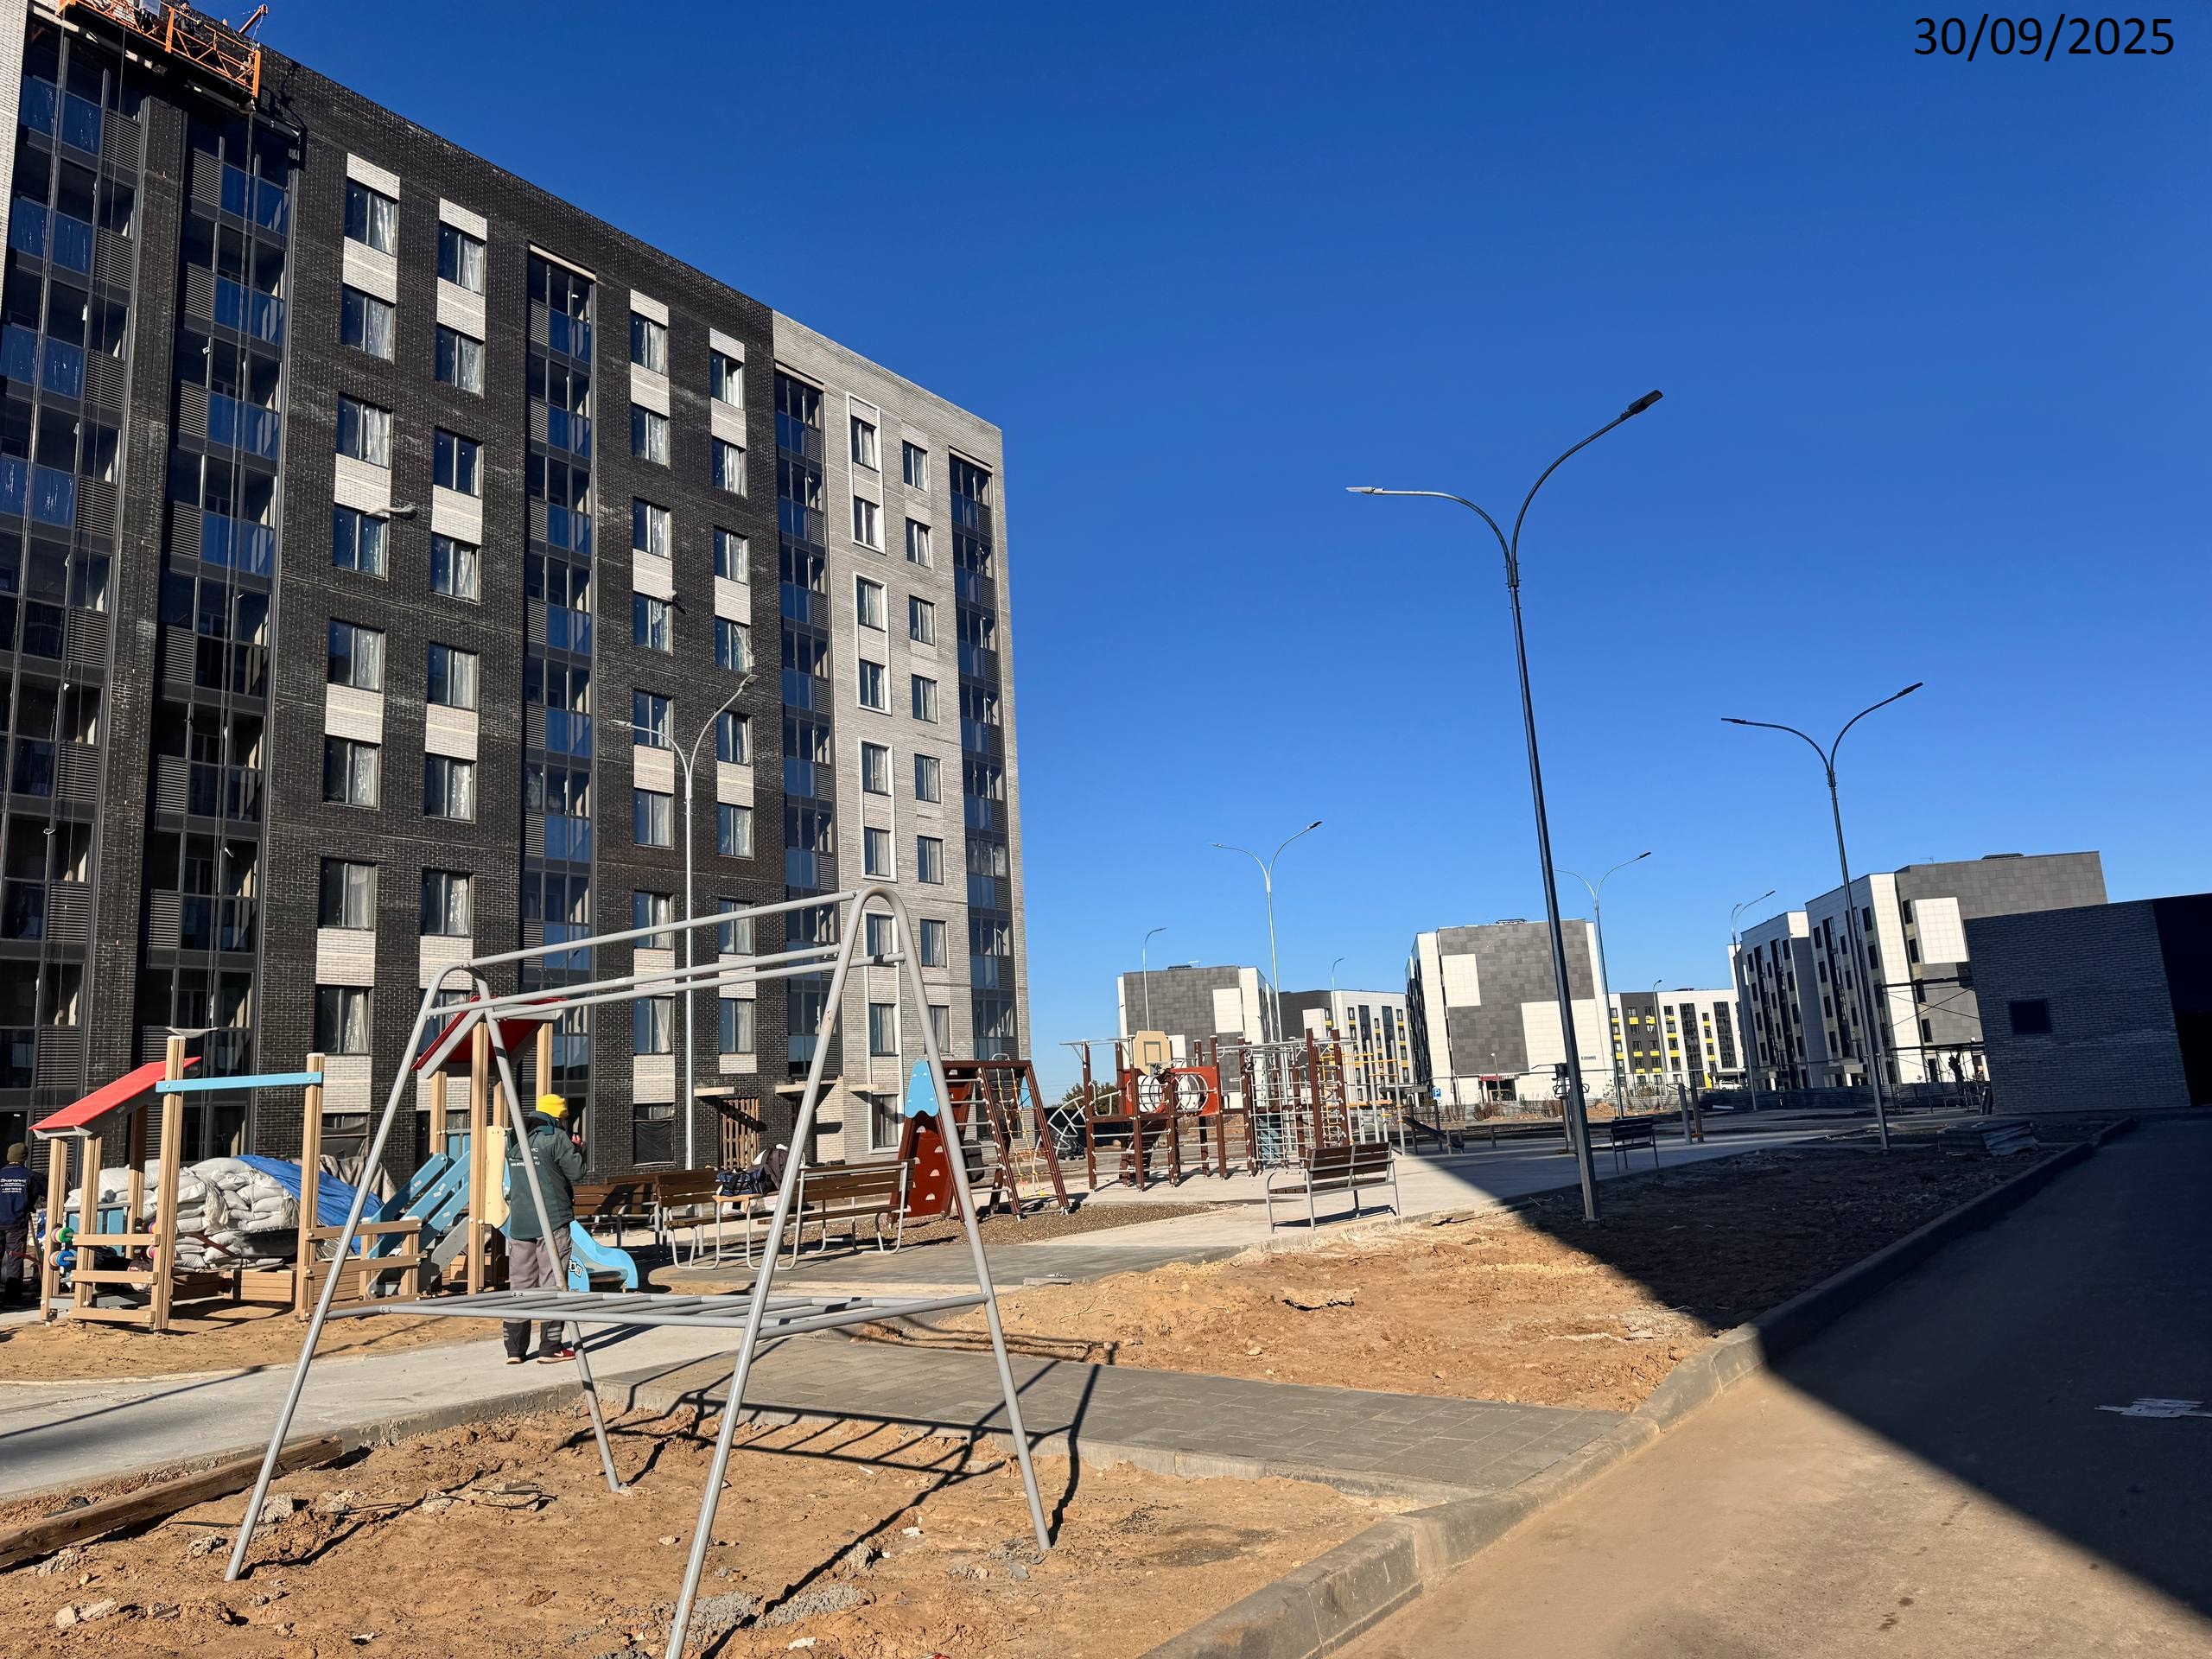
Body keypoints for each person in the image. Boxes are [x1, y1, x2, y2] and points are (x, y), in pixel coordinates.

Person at [501, 1095, 583, 1365]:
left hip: (520, 1220)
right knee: (553, 1281)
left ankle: (514, 1350)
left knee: (520, 1284)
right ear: (558, 1116)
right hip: (552, 1218)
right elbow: (577, 1172)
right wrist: (577, 1149)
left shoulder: (513, 1137)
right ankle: (551, 1347)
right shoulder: (556, 1137)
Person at [0, 1142, 30, 1306]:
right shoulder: (29, 1176)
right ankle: (12, 1297)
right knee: (15, 1258)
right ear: (24, 1158)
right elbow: (48, 1190)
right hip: (16, 1223)